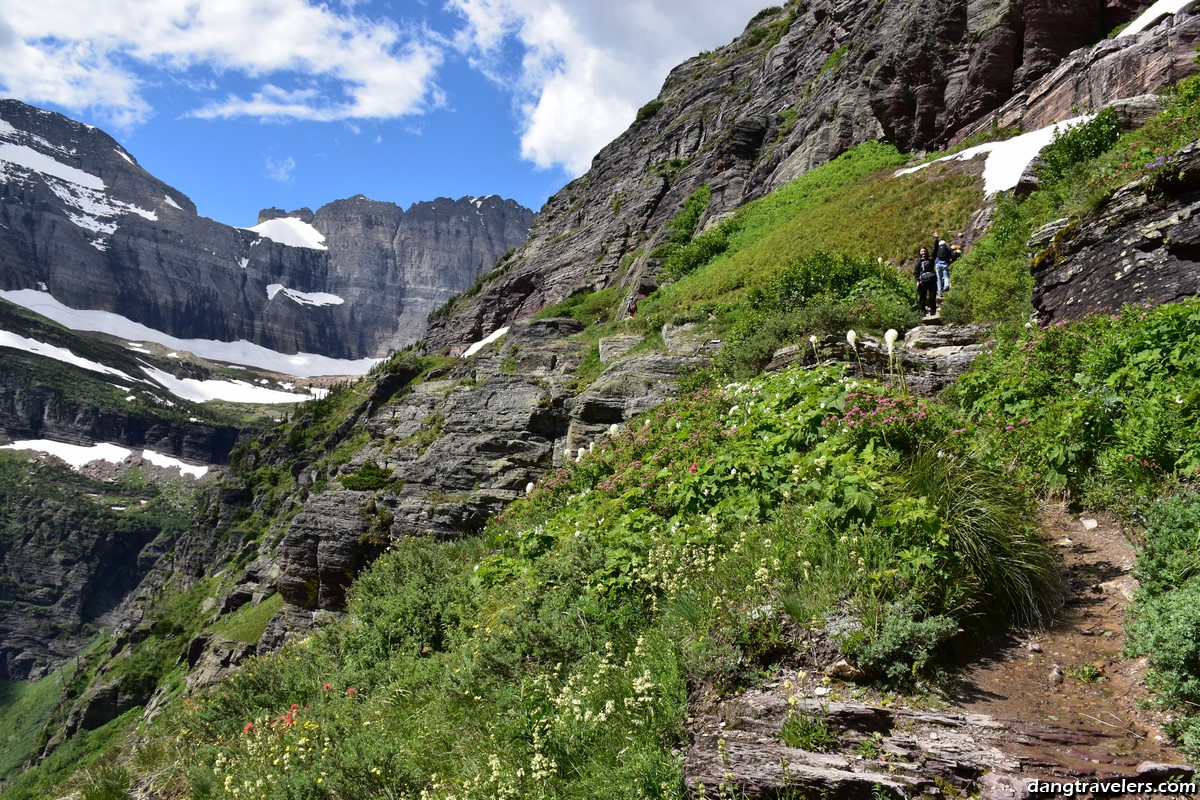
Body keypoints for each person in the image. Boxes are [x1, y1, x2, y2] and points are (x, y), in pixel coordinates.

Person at [914, 246, 938, 317]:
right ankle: (922, 313)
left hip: (932, 281)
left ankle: (933, 313)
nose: (923, 252)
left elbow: (935, 251)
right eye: (922, 251)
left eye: (924, 251)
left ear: (927, 252)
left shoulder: (931, 259)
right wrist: (917, 281)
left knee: (932, 297)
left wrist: (936, 239)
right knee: (922, 298)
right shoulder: (918, 262)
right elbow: (916, 273)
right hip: (923, 282)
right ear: (920, 253)